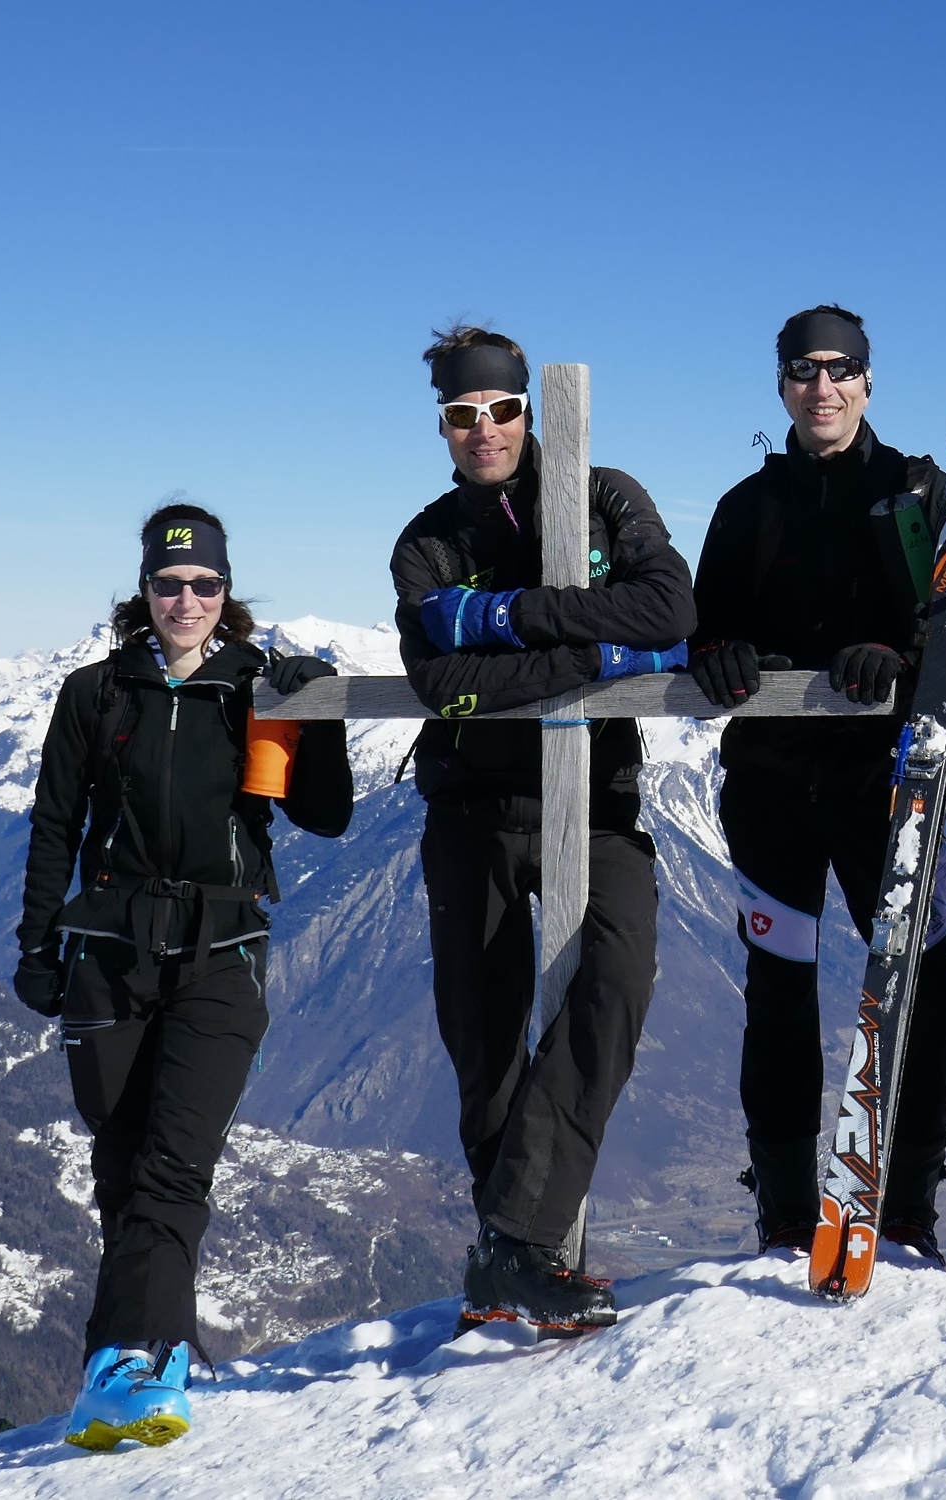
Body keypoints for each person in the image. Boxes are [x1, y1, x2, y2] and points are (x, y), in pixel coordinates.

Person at [16, 503, 352, 1449]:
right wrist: (36, 945)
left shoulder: (257, 690)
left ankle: (140, 1361)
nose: (186, 600)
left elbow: (325, 819)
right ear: (144, 592)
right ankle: (117, 1367)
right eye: (169, 585)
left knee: (173, 1164)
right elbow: (55, 826)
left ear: (226, 592)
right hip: (110, 954)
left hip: (221, 953)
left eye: (205, 585)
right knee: (120, 1162)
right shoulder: (96, 694)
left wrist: (311, 714)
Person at [390, 325, 695, 1333]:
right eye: (462, 416)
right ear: (441, 425)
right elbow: (440, 683)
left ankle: (511, 1248)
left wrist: (504, 620)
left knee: (616, 978)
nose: (485, 429)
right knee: (482, 1040)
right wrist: (581, 649)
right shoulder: (427, 539)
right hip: (469, 807)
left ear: (530, 408)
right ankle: (514, 1257)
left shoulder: (605, 497)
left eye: (502, 409)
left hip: (598, 801)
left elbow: (666, 607)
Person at [687, 305, 946, 1261]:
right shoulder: (745, 507)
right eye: (803, 370)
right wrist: (717, 654)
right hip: (767, 788)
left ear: (869, 380)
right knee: (779, 989)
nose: (822, 387)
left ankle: (912, 1204)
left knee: (919, 987)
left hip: (887, 786)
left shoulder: (917, 492)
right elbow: (704, 626)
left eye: (841, 368)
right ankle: (784, 1209)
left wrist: (901, 648)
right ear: (781, 384)